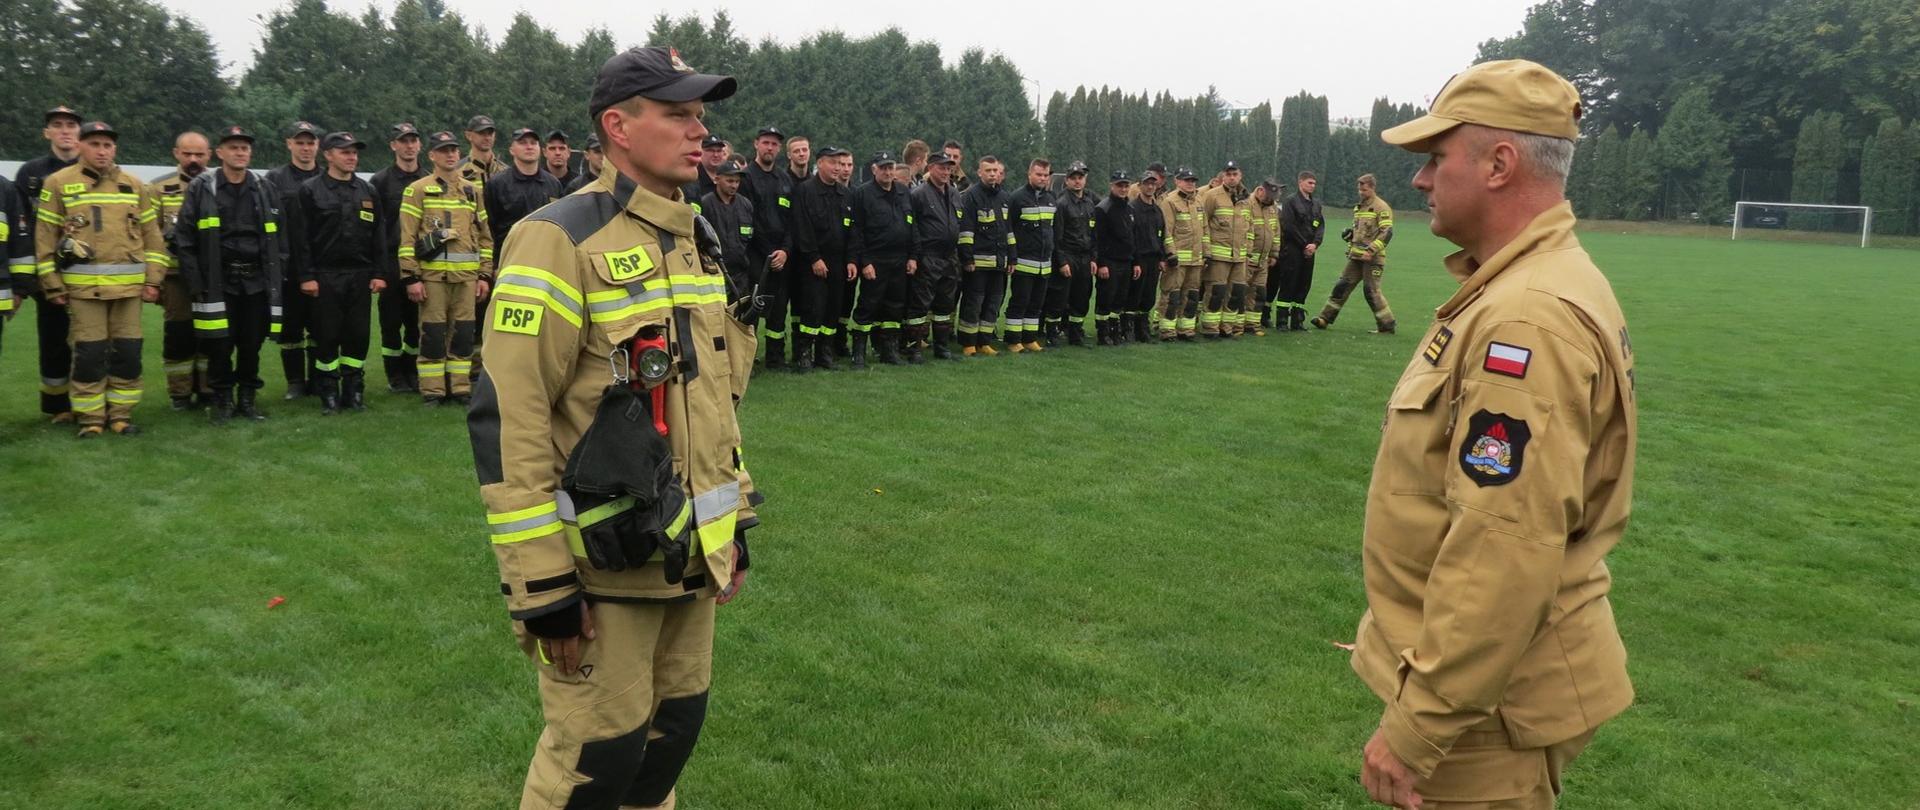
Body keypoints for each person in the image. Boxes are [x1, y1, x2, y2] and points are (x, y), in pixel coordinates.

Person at [467, 46, 760, 810]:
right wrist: (541, 584)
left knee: (664, 751)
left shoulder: (696, 235)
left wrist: (737, 518)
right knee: (593, 770)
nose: (702, 134)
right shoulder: (558, 238)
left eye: (701, 116)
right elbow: (510, 415)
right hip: (603, 570)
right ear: (618, 128)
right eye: (679, 114)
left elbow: (713, 398)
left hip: (688, 560)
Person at [1349, 59, 1636, 810]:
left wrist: (1420, 725)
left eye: (1437, 158)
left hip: (1486, 712)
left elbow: (1502, 549)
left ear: (1500, 164)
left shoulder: (1526, 320)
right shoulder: (1526, 284)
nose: (1419, 179)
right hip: (1495, 686)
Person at [32, 121, 166, 438]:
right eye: (95, 144)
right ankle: (90, 419)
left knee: (128, 354)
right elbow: (45, 239)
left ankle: (120, 415)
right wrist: (52, 285)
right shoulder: (57, 183)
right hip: (83, 291)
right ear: (80, 146)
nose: (102, 151)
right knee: (89, 355)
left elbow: (153, 237)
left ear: (114, 149)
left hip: (129, 291)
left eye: (107, 145)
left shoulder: (135, 185)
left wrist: (153, 280)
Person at [173, 126, 288, 424]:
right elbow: (183, 239)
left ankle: (248, 399)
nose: (240, 153)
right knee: (219, 345)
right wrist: (195, 281)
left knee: (252, 344)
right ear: (220, 153)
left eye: (245, 148)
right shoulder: (203, 187)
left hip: (256, 283)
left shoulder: (264, 187)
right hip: (217, 283)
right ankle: (222, 400)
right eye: (233, 147)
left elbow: (281, 239)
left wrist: (277, 275)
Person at [292, 131, 389, 414]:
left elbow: (378, 235)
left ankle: (353, 391)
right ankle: (328, 393)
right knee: (327, 336)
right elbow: (301, 238)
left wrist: (380, 272)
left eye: (354, 152)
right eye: (345, 151)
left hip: (360, 275)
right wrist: (306, 276)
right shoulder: (310, 190)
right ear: (329, 154)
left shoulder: (367, 191)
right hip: (325, 275)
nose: (351, 157)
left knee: (358, 336)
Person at [397, 130, 494, 405]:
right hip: (432, 279)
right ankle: (433, 392)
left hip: (466, 279)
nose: (450, 154)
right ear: (431, 155)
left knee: (463, 335)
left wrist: (484, 274)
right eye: (443, 150)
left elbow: (485, 235)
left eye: (453, 149)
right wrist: (410, 277)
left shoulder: (472, 190)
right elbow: (406, 238)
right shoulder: (417, 190)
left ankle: (460, 390)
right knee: (433, 335)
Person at [14, 106, 84, 421]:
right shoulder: (30, 173)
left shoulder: (93, 169)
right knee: (54, 339)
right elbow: (22, 227)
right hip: (49, 270)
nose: (65, 130)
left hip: (88, 270)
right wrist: (31, 276)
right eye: (57, 125)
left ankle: (90, 400)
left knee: (91, 339)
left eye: (71, 125)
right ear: (47, 133)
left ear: (80, 132)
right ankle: (57, 406)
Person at [147, 131, 214, 408]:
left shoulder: (218, 185)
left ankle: (209, 390)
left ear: (209, 155)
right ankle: (180, 394)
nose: (193, 159)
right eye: (187, 154)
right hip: (175, 278)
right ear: (176, 153)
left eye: (199, 154)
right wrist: (155, 279)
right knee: (179, 335)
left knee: (211, 336)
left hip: (212, 278)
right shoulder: (157, 188)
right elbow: (149, 235)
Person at [266, 120, 325, 398]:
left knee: (319, 326)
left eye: (310, 142)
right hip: (288, 267)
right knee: (291, 328)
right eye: (299, 142)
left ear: (318, 146)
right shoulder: (274, 180)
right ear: (289, 144)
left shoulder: (327, 178)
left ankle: (316, 380)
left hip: (320, 265)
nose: (305, 148)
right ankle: (294, 383)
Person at [845, 151, 915, 367]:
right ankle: (859, 352)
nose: (887, 171)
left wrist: (913, 256)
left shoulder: (903, 192)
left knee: (894, 307)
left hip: (900, 259)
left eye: (890, 167)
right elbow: (857, 231)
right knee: (868, 305)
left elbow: (913, 227)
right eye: (883, 167)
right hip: (875, 260)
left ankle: (889, 351)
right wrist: (864, 262)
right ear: (874, 169)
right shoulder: (862, 194)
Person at [372, 123, 428, 392]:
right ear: (393, 145)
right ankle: (394, 375)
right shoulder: (380, 182)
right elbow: (375, 228)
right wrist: (379, 269)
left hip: (422, 262)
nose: (409, 146)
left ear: (419, 145)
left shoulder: (428, 180)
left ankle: (412, 370)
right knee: (391, 322)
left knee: (416, 322)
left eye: (413, 140)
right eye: (403, 141)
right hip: (391, 262)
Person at [789, 145, 853, 372]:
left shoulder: (845, 194)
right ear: (821, 163)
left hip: (838, 262)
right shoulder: (806, 191)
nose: (837, 168)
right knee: (812, 308)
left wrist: (852, 260)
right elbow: (802, 227)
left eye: (840, 163)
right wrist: (814, 258)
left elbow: (852, 231)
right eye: (833, 163)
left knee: (833, 309)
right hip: (813, 262)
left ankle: (825, 354)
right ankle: (804, 354)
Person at [1313, 173, 1396, 333]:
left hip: (1372, 258)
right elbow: (1362, 232)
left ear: (1372, 188)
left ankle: (1387, 324)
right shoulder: (1359, 208)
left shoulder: (1381, 207)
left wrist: (1371, 251)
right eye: (1359, 190)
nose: (1361, 193)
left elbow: (1387, 232)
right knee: (1341, 286)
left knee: (1371, 291)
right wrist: (1350, 235)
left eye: (1364, 190)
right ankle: (1324, 318)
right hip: (1356, 256)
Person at [741, 126, 795, 369]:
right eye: (766, 143)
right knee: (751, 308)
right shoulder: (746, 178)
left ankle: (775, 357)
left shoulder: (784, 179)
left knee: (778, 309)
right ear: (756, 144)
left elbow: (791, 220)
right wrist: (769, 252)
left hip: (781, 256)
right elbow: (748, 219)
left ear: (779, 149)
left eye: (774, 144)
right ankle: (747, 358)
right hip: (755, 254)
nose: (770, 148)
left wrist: (785, 250)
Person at [907, 149, 962, 360]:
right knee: (920, 304)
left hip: (950, 257)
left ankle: (941, 346)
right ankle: (914, 348)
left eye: (949, 168)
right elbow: (913, 228)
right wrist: (916, 255)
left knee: (945, 305)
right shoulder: (919, 194)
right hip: (928, 256)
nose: (946, 172)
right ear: (930, 168)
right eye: (942, 168)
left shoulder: (955, 193)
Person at [955, 156, 1011, 356]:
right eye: (988, 171)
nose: (993, 174)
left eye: (995, 170)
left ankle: (984, 341)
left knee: (993, 303)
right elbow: (966, 231)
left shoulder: (1004, 197)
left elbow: (1008, 231)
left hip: (999, 263)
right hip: (977, 264)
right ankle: (968, 343)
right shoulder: (970, 196)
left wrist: (1011, 258)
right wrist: (967, 259)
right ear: (979, 173)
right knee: (973, 302)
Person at [1001, 158, 1055, 353]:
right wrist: (1012, 257)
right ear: (1029, 174)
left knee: (1036, 304)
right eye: (1038, 174)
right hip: (1023, 262)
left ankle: (1030, 339)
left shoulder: (1051, 197)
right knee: (1019, 302)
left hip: (1044, 264)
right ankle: (1013, 340)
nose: (1042, 178)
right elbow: (1009, 229)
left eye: (1045, 175)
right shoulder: (1017, 198)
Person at [1198, 160, 1252, 339]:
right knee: (1216, 292)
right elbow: (1202, 223)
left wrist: (1248, 251)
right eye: (1228, 174)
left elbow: (1249, 227)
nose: (1231, 177)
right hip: (1219, 255)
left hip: (1240, 257)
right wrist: (1206, 251)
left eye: (1235, 174)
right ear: (1223, 176)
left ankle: (1226, 328)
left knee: (1235, 294)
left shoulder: (1246, 199)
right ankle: (1210, 328)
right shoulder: (1212, 196)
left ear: (1240, 175)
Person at [1045, 160, 1096, 347]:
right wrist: (1062, 261)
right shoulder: (1062, 204)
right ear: (1066, 181)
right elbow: (1057, 237)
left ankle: (1076, 334)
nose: (1077, 182)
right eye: (1073, 178)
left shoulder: (1089, 204)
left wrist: (1093, 258)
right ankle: (1052, 333)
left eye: (1080, 178)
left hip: (1085, 257)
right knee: (1059, 298)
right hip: (1068, 256)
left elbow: (1093, 234)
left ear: (1085, 180)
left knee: (1081, 298)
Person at [487, 128, 564, 248]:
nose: (529, 147)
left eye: (533, 143)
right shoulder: (497, 184)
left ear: (539, 149)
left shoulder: (553, 184)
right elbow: (490, 228)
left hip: (545, 255)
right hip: (510, 257)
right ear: (511, 150)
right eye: (523, 143)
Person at [696, 158, 760, 299]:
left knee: (740, 318)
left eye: (737, 181)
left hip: (741, 275)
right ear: (716, 180)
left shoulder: (745, 204)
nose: (734, 185)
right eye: (729, 181)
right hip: (715, 273)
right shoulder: (705, 204)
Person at [1156, 167, 1205, 341]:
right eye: (1186, 180)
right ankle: (1167, 330)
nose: (1190, 183)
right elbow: (1166, 230)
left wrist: (1205, 253)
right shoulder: (1170, 202)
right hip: (1177, 261)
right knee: (1172, 295)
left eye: (1193, 181)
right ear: (1177, 181)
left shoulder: (1198, 202)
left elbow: (1204, 230)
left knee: (1191, 296)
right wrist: (1170, 254)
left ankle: (1186, 330)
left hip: (1196, 260)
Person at [1273, 170, 1324, 331]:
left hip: (1310, 251)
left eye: (1314, 183)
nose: (1312, 186)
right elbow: (1289, 226)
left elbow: (1320, 226)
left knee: (1304, 284)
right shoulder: (1291, 202)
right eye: (1309, 182)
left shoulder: (1316, 204)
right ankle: (1282, 320)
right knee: (1289, 283)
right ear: (1300, 182)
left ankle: (1297, 320)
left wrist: (1315, 244)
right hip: (1293, 250)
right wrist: (1304, 245)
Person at [1090, 171, 1136, 346]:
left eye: (1126, 185)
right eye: (1120, 185)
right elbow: (1098, 239)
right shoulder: (1103, 208)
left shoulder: (1129, 209)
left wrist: (1135, 261)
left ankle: (1114, 330)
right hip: (1109, 261)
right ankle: (1103, 332)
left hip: (1126, 260)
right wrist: (1101, 263)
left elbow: (1133, 237)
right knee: (1106, 297)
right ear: (1112, 186)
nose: (1123, 189)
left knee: (1120, 298)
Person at [1125, 169, 1167, 343]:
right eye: (1147, 184)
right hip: (1139, 258)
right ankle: (1128, 330)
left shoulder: (1157, 210)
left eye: (1153, 184)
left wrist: (1162, 258)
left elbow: (1162, 234)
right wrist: (1134, 261)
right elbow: (1130, 237)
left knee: (1149, 296)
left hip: (1153, 259)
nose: (1150, 187)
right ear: (1140, 185)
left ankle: (1143, 329)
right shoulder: (1133, 208)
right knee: (1134, 295)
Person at [1242, 179, 1283, 336]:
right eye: (1268, 196)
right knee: (1240, 291)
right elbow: (1244, 230)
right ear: (1260, 191)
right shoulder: (1247, 204)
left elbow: (1276, 232)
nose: (1270, 200)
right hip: (1248, 258)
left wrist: (1274, 253)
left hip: (1264, 260)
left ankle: (1252, 324)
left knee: (1259, 292)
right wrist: (1245, 254)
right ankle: (1236, 325)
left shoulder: (1272, 207)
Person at [459, 115, 502, 197]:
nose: (487, 138)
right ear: (468, 135)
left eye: (490, 133)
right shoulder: (457, 171)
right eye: (481, 133)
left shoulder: (505, 171)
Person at [686, 134, 727, 206]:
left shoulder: (728, 177)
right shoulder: (692, 178)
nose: (716, 155)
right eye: (710, 150)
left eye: (719, 151)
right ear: (700, 151)